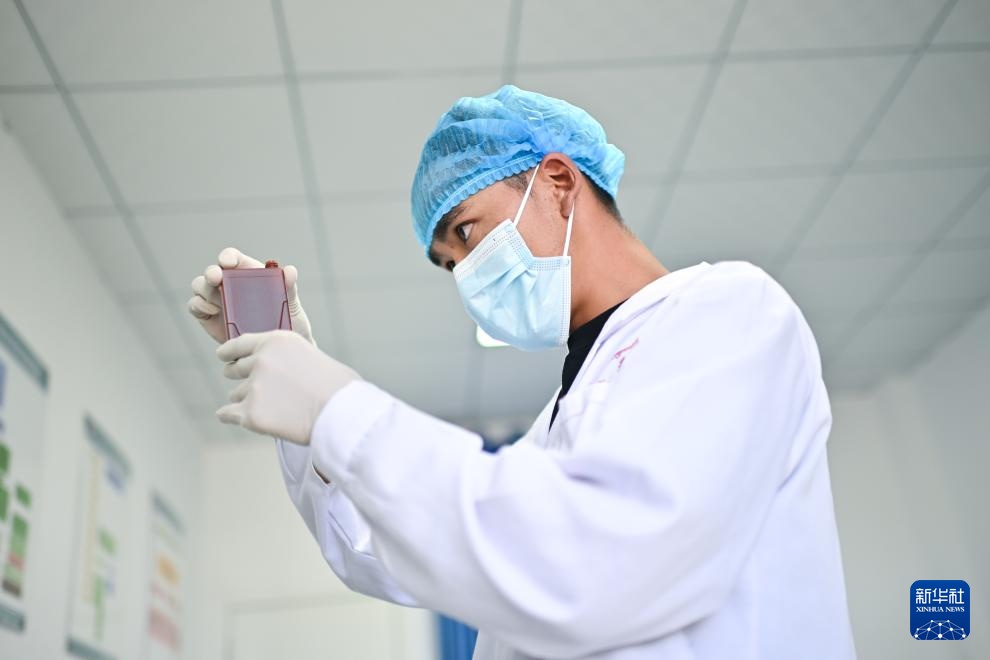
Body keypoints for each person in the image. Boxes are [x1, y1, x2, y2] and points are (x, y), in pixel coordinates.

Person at [188, 86, 856, 659]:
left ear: (559, 183)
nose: (465, 275)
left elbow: (596, 559)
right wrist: (306, 415)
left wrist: (340, 406)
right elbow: (385, 550)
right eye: (450, 265)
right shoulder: (555, 426)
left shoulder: (729, 312)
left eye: (466, 233)